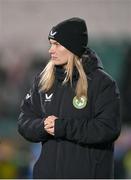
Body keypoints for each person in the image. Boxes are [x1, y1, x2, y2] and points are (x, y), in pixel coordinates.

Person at [18, 17, 121, 179]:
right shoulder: (43, 80)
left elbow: (108, 128)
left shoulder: (102, 83)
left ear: (72, 47)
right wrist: (42, 126)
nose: (50, 50)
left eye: (57, 44)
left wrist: (63, 127)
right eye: (51, 44)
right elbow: (24, 122)